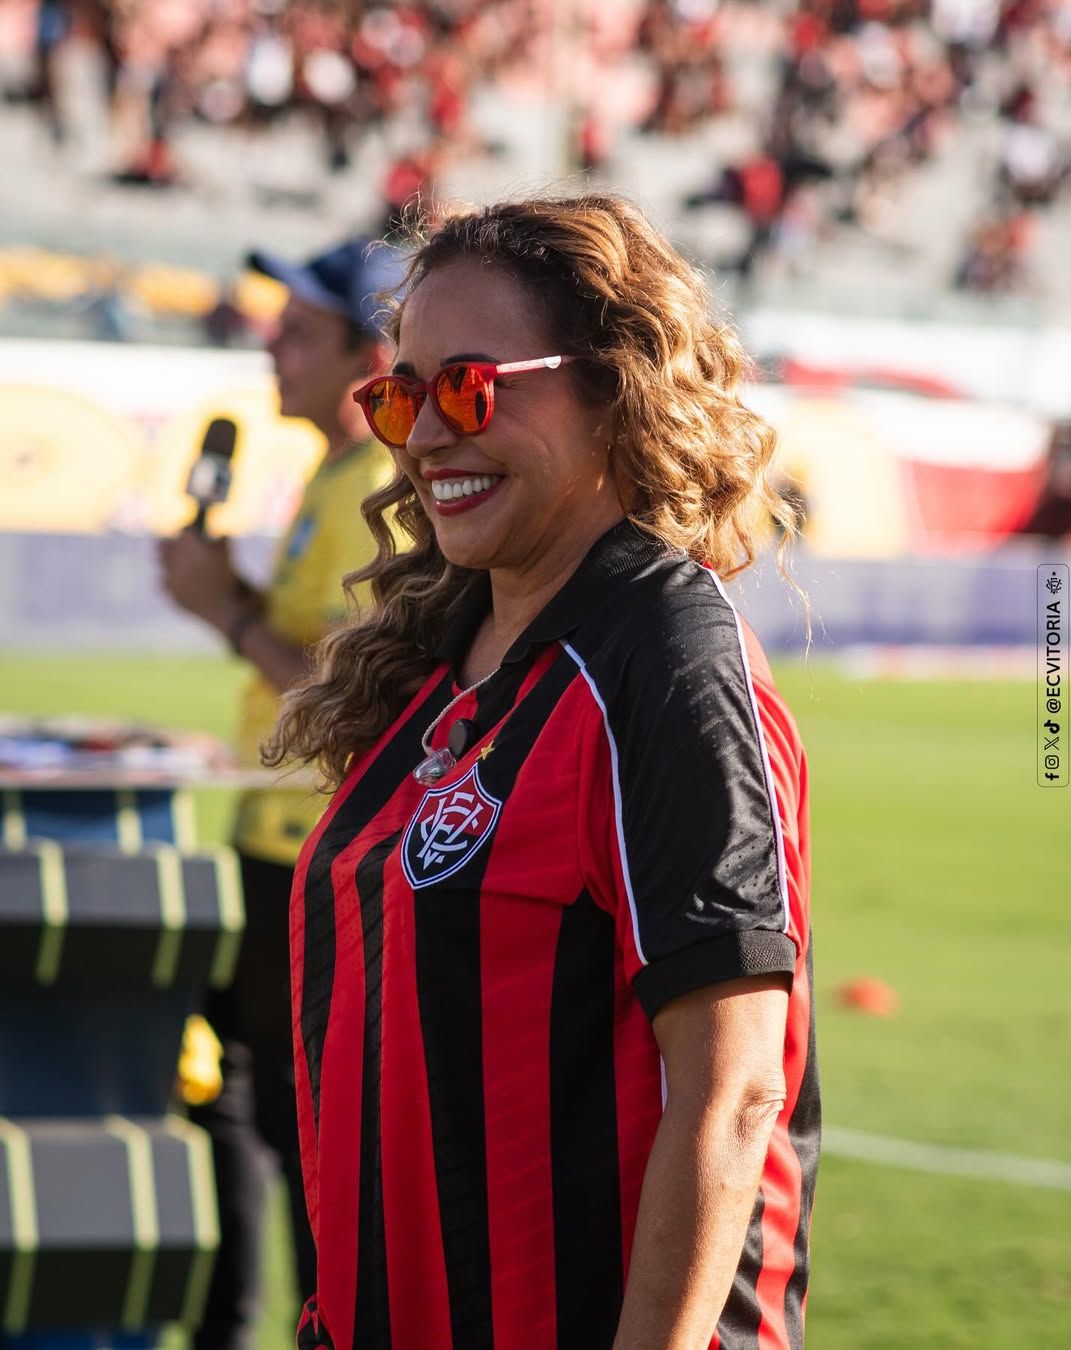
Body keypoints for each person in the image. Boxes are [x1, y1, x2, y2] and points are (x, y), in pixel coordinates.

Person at [266, 194, 819, 1350]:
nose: (423, 436)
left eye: (470, 386)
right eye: (400, 394)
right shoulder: (439, 652)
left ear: (613, 385)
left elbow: (731, 1099)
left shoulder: (662, 662)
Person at [159, 235, 400, 1350]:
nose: (271, 349)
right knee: (238, 1105)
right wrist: (235, 596)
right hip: (279, 835)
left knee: (295, 1130)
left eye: (298, 333)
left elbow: (353, 683)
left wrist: (227, 614)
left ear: (368, 354)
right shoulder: (333, 471)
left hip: (320, 851)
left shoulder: (383, 484)